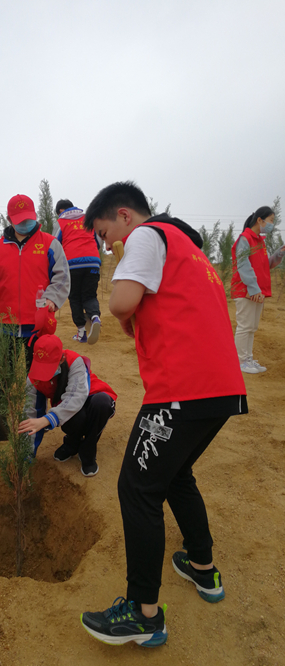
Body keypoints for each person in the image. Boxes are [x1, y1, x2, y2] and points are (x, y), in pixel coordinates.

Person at [79, 181, 247, 648]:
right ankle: (202, 568)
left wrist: (119, 276)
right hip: (222, 389)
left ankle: (143, 613)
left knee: (137, 487)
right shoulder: (190, 250)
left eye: (103, 231)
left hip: (181, 390)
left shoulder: (145, 237)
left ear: (124, 216)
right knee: (175, 476)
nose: (105, 242)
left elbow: (119, 304)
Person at [0, 194, 70, 397]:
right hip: (4, 323)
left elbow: (62, 277)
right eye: (20, 220)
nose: (26, 223)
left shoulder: (50, 244)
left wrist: (52, 299)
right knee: (0, 373)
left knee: (37, 375)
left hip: (37, 325)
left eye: (29, 218)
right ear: (10, 220)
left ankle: (35, 418)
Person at [19, 334, 116, 476]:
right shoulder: (33, 377)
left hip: (91, 396)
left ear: (62, 359)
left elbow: (76, 396)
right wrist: (27, 455)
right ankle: (72, 443)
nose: (45, 374)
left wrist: (47, 419)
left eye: (49, 366)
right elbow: (31, 412)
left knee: (101, 404)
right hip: (67, 405)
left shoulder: (75, 361)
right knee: (72, 419)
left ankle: (87, 453)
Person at [230, 206, 285, 374]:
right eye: (271, 220)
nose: (272, 224)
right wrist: (253, 289)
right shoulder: (245, 238)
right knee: (245, 326)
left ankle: (248, 359)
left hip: (256, 292)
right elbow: (243, 265)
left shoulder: (260, 241)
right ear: (259, 220)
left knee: (252, 327)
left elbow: (264, 266)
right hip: (246, 291)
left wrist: (279, 254)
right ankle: (240, 361)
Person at [55, 199, 102, 344]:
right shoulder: (88, 218)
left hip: (72, 264)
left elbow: (56, 245)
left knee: (74, 297)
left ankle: (81, 332)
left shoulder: (61, 222)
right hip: (93, 261)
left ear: (60, 211)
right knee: (89, 295)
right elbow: (99, 241)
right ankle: (94, 317)